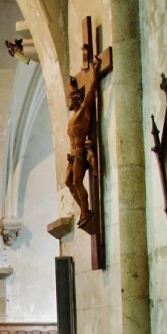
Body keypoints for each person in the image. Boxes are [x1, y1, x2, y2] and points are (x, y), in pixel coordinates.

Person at [65, 55, 100, 230]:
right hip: (72, 154)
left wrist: (95, 73)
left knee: (77, 182)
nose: (68, 101)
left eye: (70, 97)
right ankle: (83, 210)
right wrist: (72, 84)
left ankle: (86, 212)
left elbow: (92, 92)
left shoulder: (83, 113)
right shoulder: (72, 119)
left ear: (77, 98)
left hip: (80, 152)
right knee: (68, 182)